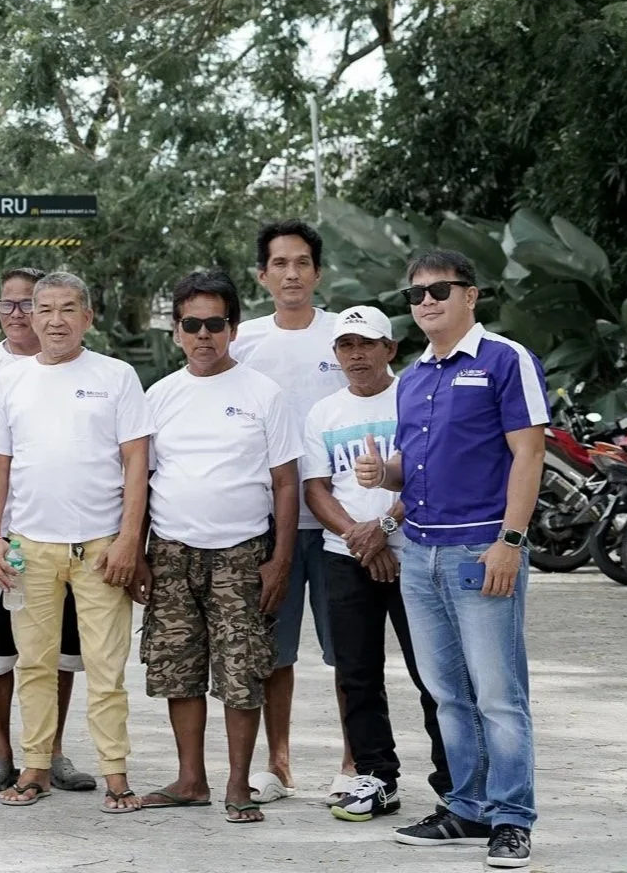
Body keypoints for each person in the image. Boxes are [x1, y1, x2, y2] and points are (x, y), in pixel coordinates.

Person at [368, 250, 545, 867]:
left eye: (439, 290)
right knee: (446, 692)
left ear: (470, 295)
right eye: (415, 294)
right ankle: (466, 807)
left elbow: (528, 455)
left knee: (498, 692)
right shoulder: (413, 378)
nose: (425, 302)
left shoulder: (505, 359)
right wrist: (381, 472)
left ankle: (512, 818)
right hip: (419, 551)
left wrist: (511, 543)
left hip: (481, 550)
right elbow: (414, 467)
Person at [0, 271, 149, 813]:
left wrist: (129, 540)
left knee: (105, 668)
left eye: (68, 308)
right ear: (29, 315)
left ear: (88, 316)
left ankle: (116, 774)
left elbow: (137, 462)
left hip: (101, 549)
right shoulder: (10, 380)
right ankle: (35, 768)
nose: (55, 320)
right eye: (44, 308)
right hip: (30, 548)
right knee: (33, 663)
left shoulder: (117, 376)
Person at [135, 271, 299, 823]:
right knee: (178, 669)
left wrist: (280, 560)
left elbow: (286, 482)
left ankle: (237, 785)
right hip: (172, 553)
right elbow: (141, 479)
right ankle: (190, 780)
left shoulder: (263, 393)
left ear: (232, 328)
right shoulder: (159, 395)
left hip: (243, 554)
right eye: (192, 324)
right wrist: (135, 552)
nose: (203, 334)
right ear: (177, 331)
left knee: (241, 670)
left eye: (215, 324)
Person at [0, 266, 91, 795]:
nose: (22, 314)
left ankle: (49, 752)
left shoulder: (90, 371)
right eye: (10, 304)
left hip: (68, 540)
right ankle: (1, 753)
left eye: (32, 303)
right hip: (2, 539)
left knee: (61, 652)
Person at [301, 305, 451, 823]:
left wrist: (383, 529)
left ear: (390, 349)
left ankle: (454, 781)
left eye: (367, 344)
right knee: (357, 673)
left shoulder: (414, 396)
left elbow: (430, 471)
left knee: (432, 672)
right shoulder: (324, 413)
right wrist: (358, 538)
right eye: (346, 345)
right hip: (345, 558)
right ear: (336, 354)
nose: (356, 354)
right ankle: (376, 778)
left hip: (416, 554)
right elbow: (316, 488)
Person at [231, 219, 350, 804]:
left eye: (302, 262)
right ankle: (277, 766)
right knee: (272, 655)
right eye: (280, 263)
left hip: (340, 525)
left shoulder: (345, 336)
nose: (292, 273)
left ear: (318, 272)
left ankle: (356, 765)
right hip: (266, 526)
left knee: (347, 652)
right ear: (263, 275)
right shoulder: (243, 340)